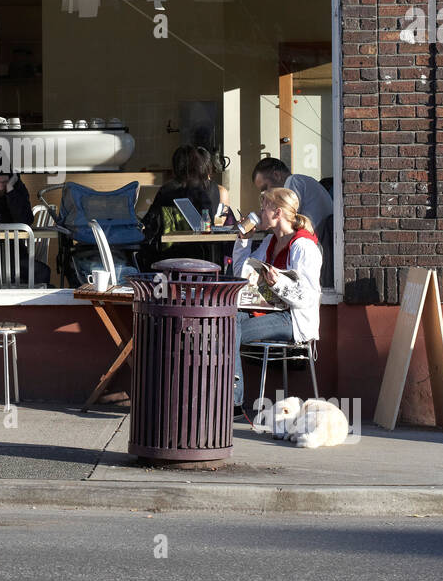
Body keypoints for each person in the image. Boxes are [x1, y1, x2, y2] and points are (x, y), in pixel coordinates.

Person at [228, 186, 322, 414]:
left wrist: (278, 283)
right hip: (270, 312)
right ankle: (230, 398)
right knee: (226, 320)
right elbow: (241, 274)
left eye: (264, 208)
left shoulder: (303, 245)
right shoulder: (271, 241)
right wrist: (243, 242)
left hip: (293, 320)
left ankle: (233, 401)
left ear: (278, 212)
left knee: (229, 330)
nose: (260, 213)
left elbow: (307, 297)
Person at [140, 146, 237, 268]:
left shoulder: (168, 190)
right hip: (209, 258)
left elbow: (150, 223)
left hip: (171, 257)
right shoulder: (217, 190)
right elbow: (218, 223)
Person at [252, 156, 334, 287]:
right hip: (323, 244)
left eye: (265, 187)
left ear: (277, 175)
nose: (266, 194)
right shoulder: (305, 180)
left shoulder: (293, 181)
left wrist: (264, 219)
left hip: (315, 243)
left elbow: (286, 215)